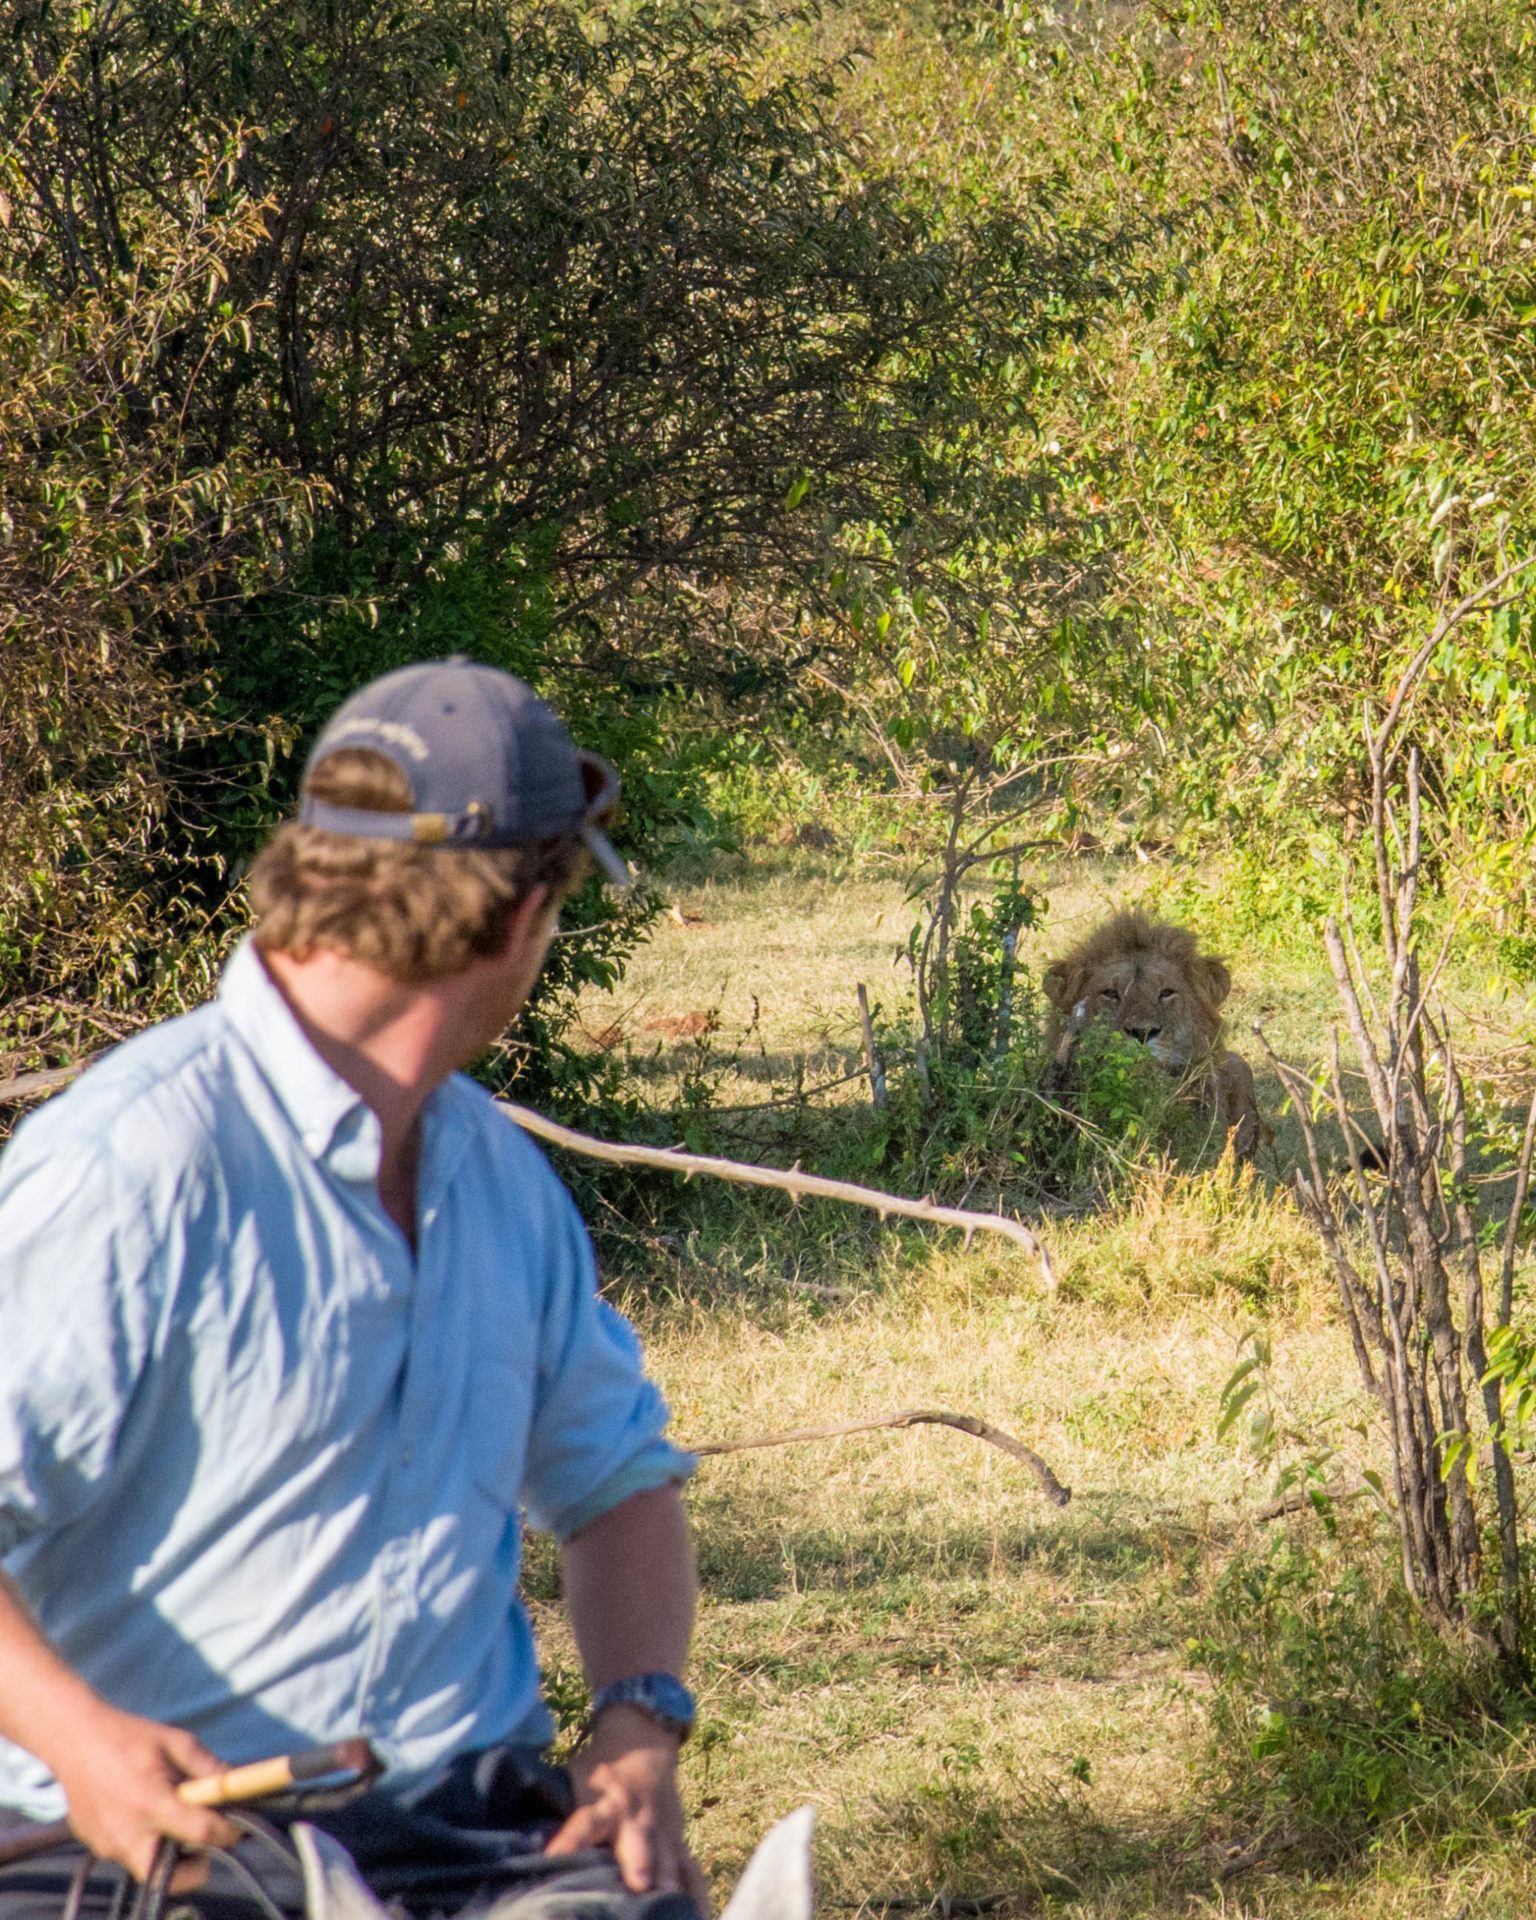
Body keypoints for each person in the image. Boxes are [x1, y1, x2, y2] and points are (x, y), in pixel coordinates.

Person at [0, 659, 703, 1920]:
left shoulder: (498, 1177)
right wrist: (83, 1744)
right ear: (520, 919)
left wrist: (639, 1723)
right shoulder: (136, 1165)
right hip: (150, 1850)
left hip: (474, 1837)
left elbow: (621, 1485)